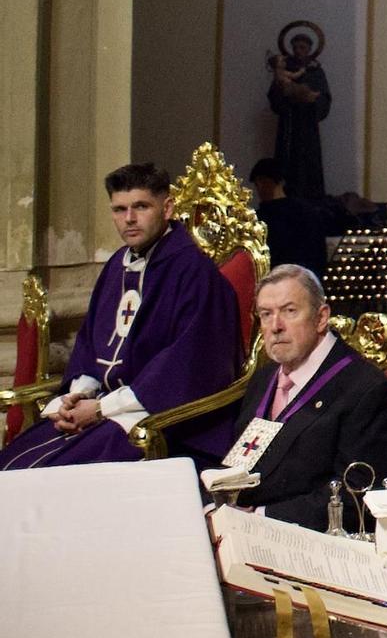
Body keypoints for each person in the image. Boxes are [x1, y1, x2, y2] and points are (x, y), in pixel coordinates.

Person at [0, 164, 242, 470]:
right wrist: (77, 396)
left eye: (141, 206)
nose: (129, 219)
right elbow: (92, 342)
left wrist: (102, 408)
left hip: (159, 419)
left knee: (49, 474)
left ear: (166, 208)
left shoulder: (194, 273)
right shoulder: (117, 265)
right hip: (103, 406)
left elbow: (187, 367)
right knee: (12, 463)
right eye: (119, 209)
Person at [222, 265, 387, 530]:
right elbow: (239, 461)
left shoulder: (365, 389)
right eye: (266, 314)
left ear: (321, 317)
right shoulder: (263, 379)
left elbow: (356, 496)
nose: (275, 327)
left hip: (308, 541)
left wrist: (260, 517)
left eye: (289, 311)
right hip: (241, 526)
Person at [267, 30, 333, 199]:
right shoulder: (285, 70)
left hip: (308, 128)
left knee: (308, 170)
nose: (298, 51)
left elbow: (324, 99)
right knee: (286, 168)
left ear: (309, 49)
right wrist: (284, 93)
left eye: (302, 47)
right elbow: (274, 98)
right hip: (288, 126)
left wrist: (311, 100)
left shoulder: (315, 71)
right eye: (295, 47)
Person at [249, 158, 339, 276]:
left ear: (277, 181)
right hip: (304, 277)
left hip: (282, 277)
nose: (259, 187)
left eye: (263, 181)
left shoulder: (262, 218)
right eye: (257, 183)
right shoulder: (309, 212)